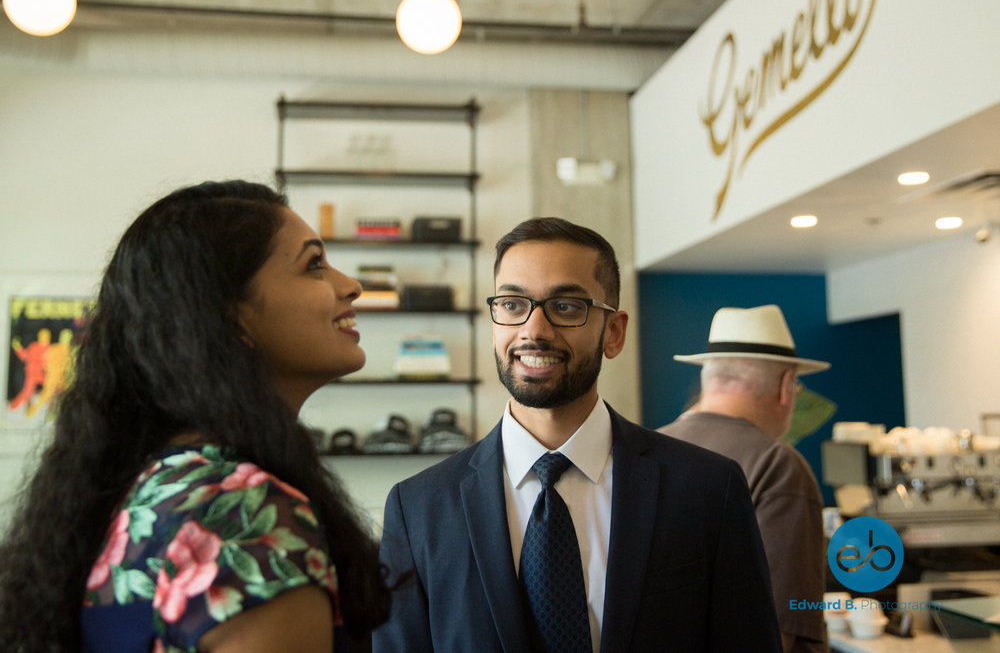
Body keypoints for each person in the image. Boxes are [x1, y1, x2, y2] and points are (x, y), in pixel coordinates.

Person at [0, 180, 391, 652]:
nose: (351, 286)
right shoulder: (242, 512)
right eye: (314, 265)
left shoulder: (145, 481)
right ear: (231, 316)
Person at [373, 217, 781, 652]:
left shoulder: (706, 488)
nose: (534, 330)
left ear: (615, 332)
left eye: (566, 306)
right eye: (513, 304)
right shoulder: (418, 508)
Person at [658, 304, 830, 653]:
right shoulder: (778, 466)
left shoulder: (644, 452)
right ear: (785, 387)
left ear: (709, 378)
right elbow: (777, 628)